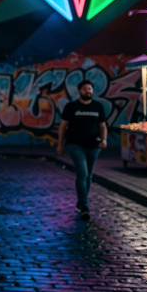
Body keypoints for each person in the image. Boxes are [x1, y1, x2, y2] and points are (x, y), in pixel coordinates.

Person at [56, 80, 108, 221]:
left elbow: (102, 126)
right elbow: (63, 126)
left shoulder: (98, 106)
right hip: (75, 144)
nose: (88, 91)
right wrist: (60, 145)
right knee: (82, 173)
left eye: (90, 89)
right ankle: (85, 205)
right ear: (80, 91)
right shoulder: (72, 107)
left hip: (93, 145)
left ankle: (81, 202)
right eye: (85, 89)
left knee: (89, 176)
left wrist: (104, 140)